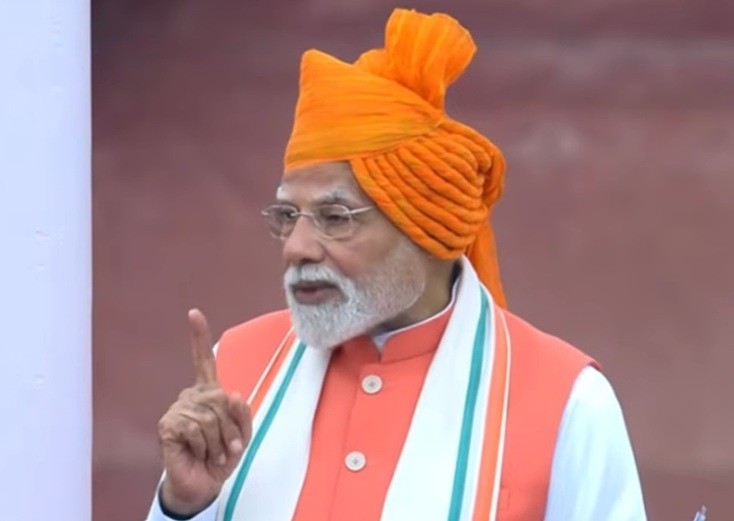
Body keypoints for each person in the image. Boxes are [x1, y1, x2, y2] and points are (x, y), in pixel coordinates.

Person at [146, 8, 647, 521]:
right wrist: (183, 506)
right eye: (288, 216)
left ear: (423, 226)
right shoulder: (237, 369)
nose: (297, 247)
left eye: (335, 217)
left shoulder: (567, 402)